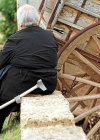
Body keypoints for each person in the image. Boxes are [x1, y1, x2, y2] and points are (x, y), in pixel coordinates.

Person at [0, 4, 58, 133]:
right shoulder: (50, 36)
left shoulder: (15, 39)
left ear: (20, 21)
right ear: (36, 19)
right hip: (47, 85)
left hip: (23, 84)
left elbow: (1, 62)